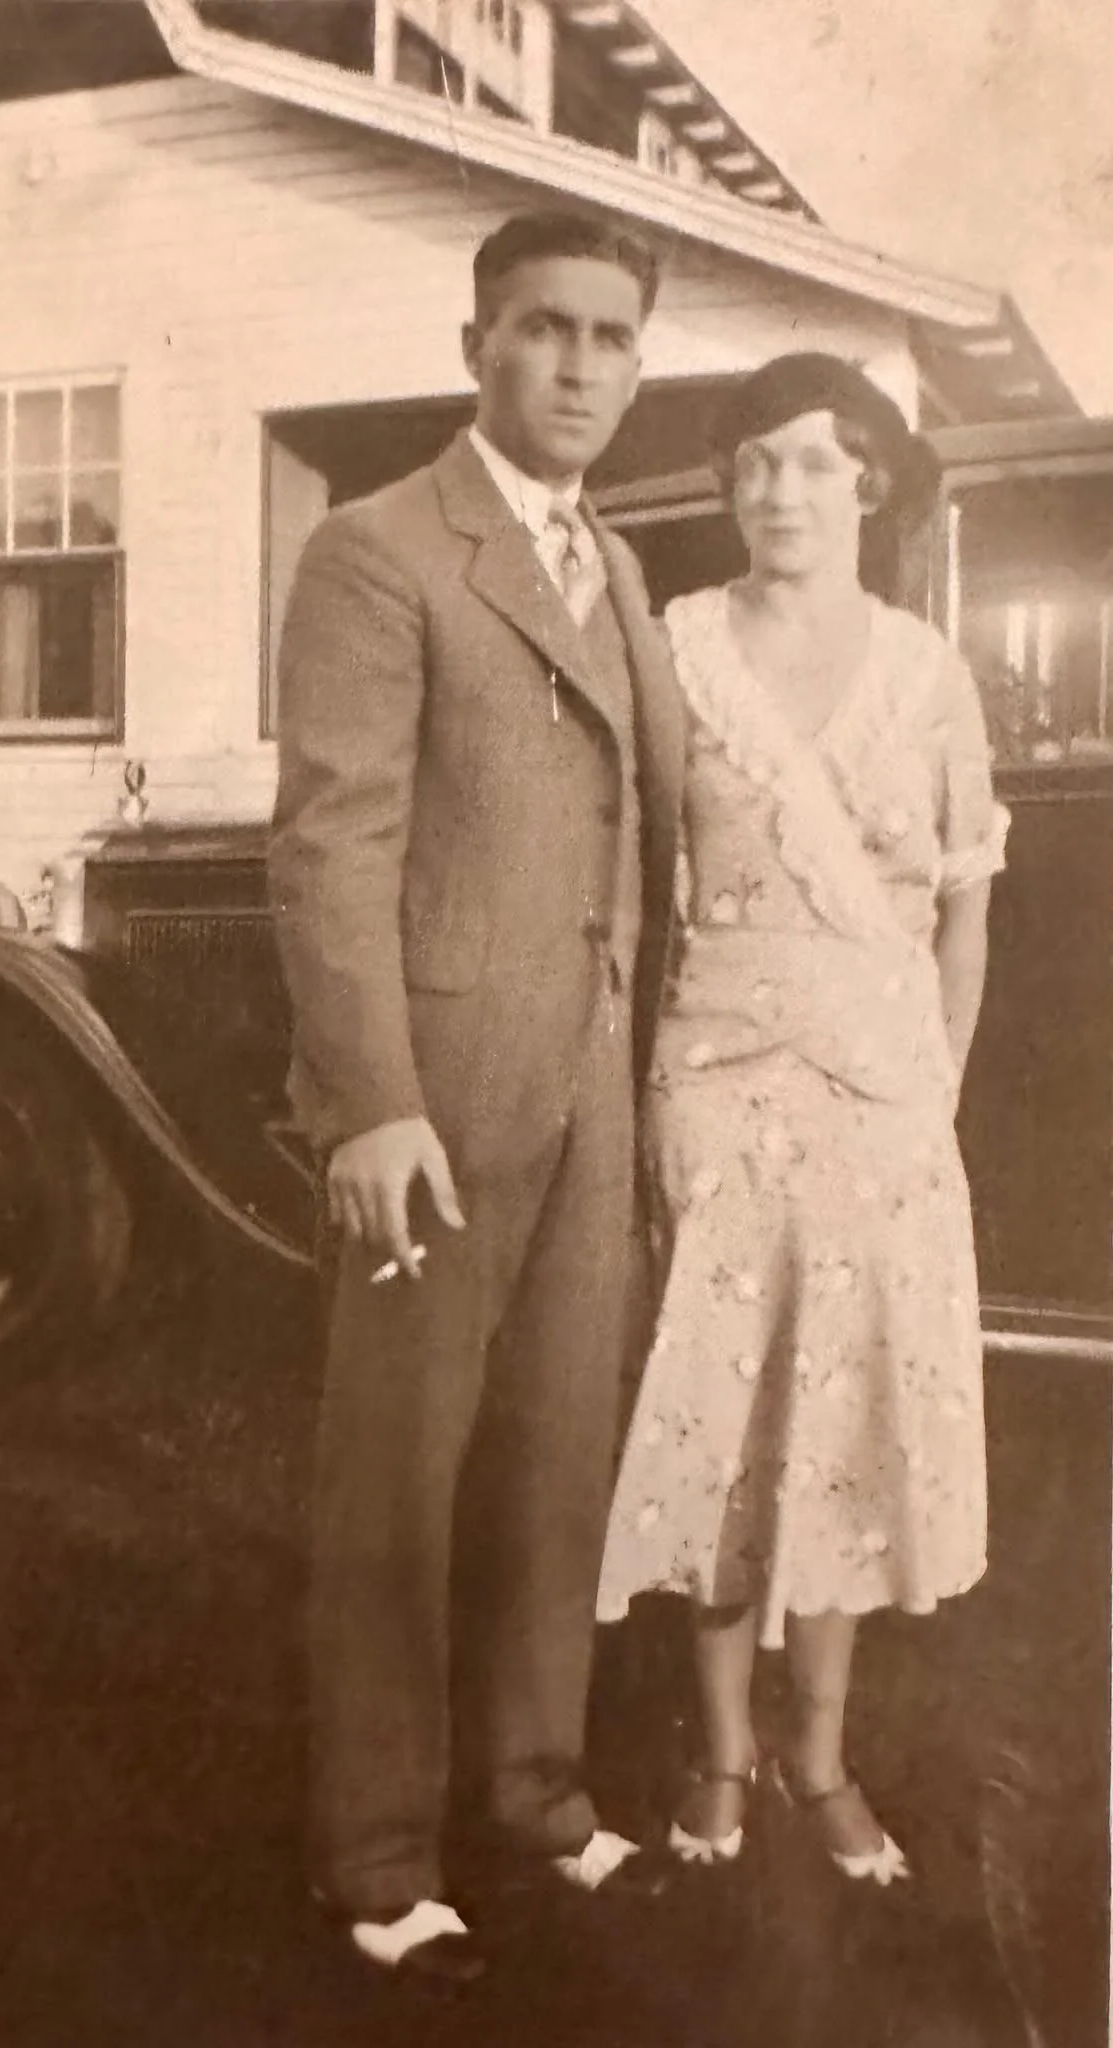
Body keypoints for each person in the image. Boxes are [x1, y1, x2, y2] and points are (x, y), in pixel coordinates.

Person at [268, 210, 685, 1984]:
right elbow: (330, 842)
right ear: (476, 348)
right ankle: (376, 1861)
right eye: (544, 328)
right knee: (397, 1483)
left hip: (588, 1095)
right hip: (432, 1106)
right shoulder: (379, 550)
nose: (579, 366)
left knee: (555, 1466)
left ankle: (534, 1795)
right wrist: (372, 1101)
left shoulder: (620, 565)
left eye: (610, 336)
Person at [596, 352, 1008, 1887]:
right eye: (757, 463)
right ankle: (720, 1754)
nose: (781, 491)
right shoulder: (677, 650)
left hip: (880, 1100)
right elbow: (630, 880)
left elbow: (962, 915)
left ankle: (819, 1756)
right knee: (720, 1417)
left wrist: (928, 1096)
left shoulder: (927, 672)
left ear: (868, 484)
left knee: (837, 1433)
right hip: (715, 1085)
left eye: (816, 462)